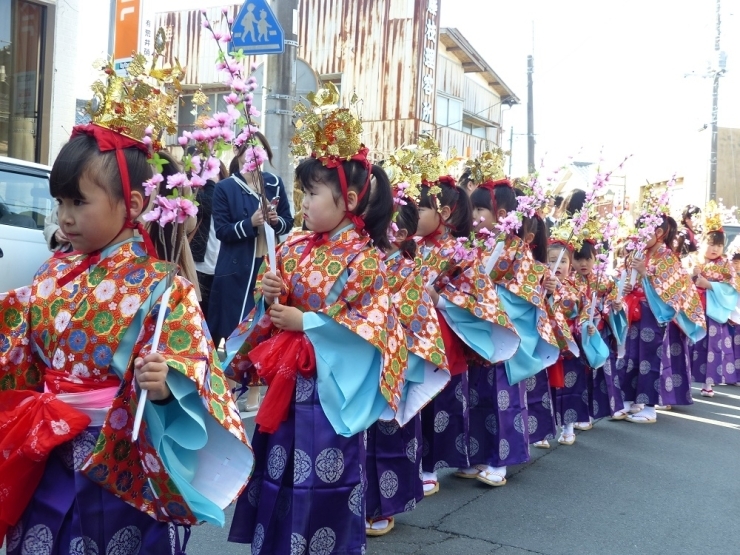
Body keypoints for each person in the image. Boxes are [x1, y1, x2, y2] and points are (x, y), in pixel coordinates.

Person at [0, 125, 253, 552]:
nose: (65, 216)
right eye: (60, 201)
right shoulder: (52, 272)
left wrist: (165, 385)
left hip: (122, 456)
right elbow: (22, 357)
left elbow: (194, 367)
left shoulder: (163, 286)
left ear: (132, 204)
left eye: (79, 202)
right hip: (47, 446)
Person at [225, 97, 404, 555]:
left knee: (326, 477)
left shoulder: (366, 259)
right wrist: (272, 296)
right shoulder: (296, 245)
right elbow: (271, 309)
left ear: (349, 199)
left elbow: (376, 327)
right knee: (278, 472)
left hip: (327, 389)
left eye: (311, 194)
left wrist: (308, 322)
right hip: (286, 382)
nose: (302, 203)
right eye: (302, 192)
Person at [415, 174, 519, 493]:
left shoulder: (460, 251)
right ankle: (417, 463)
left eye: (420, 209)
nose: (413, 216)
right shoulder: (412, 246)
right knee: (415, 401)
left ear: (443, 213)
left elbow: (479, 299)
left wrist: (441, 300)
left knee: (436, 403)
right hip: (412, 331)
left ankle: (428, 466)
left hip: (443, 335)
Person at [365, 188, 449, 537]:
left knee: (388, 437)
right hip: (357, 359)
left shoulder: (407, 270)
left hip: (393, 362)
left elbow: (420, 325)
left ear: (400, 234)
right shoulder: (360, 260)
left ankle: (384, 504)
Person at [465, 179, 558, 481]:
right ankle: (478, 454)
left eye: (479, 208)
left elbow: (525, 295)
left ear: (501, 212)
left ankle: (500, 460)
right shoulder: (477, 244)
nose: (474, 214)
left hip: (505, 332)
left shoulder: (518, 250)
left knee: (502, 397)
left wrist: (490, 296)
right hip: (480, 330)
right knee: (476, 394)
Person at [208, 132, 293, 349]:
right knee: (234, 324)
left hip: (268, 264)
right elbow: (222, 230)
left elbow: (287, 221)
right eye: (249, 148)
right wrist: (250, 223)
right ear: (237, 152)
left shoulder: (274, 183)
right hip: (236, 265)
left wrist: (276, 221)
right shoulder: (225, 187)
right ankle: (233, 374)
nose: (255, 154)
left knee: (263, 321)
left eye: (260, 149)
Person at [621, 214, 706, 423]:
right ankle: (632, 401)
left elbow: (672, 291)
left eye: (644, 233)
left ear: (658, 233)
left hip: (657, 315)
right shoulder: (643, 253)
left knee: (652, 359)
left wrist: (646, 274)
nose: (639, 238)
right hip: (639, 312)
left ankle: (650, 407)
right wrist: (629, 285)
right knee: (633, 355)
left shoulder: (668, 257)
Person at [690, 210, 740, 392]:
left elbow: (731, 288)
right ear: (702, 243)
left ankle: (707, 383)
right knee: (690, 344)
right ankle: (687, 381)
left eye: (719, 245)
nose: (715, 249)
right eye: (711, 244)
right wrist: (692, 276)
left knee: (712, 347)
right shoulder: (693, 260)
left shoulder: (725, 264)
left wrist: (709, 285)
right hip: (693, 308)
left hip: (713, 310)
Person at [145, 150, 201, 300]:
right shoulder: (178, 174)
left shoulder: (141, 172)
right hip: (177, 256)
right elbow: (190, 225)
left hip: (144, 258)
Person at [192, 159, 228, 321]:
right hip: (199, 266)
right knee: (200, 315)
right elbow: (208, 204)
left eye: (213, 172)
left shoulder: (228, 197)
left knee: (215, 319)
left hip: (221, 267)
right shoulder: (197, 195)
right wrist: (211, 183)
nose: (210, 176)